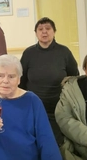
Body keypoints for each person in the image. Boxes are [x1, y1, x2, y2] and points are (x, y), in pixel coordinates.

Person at [19, 17, 79, 146]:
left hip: (60, 107)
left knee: (58, 142)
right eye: (40, 29)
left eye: (48, 29)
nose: (44, 32)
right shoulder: (29, 53)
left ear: (54, 32)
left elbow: (74, 77)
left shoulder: (64, 52)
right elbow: (21, 81)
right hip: (35, 106)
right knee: (37, 140)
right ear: (36, 33)